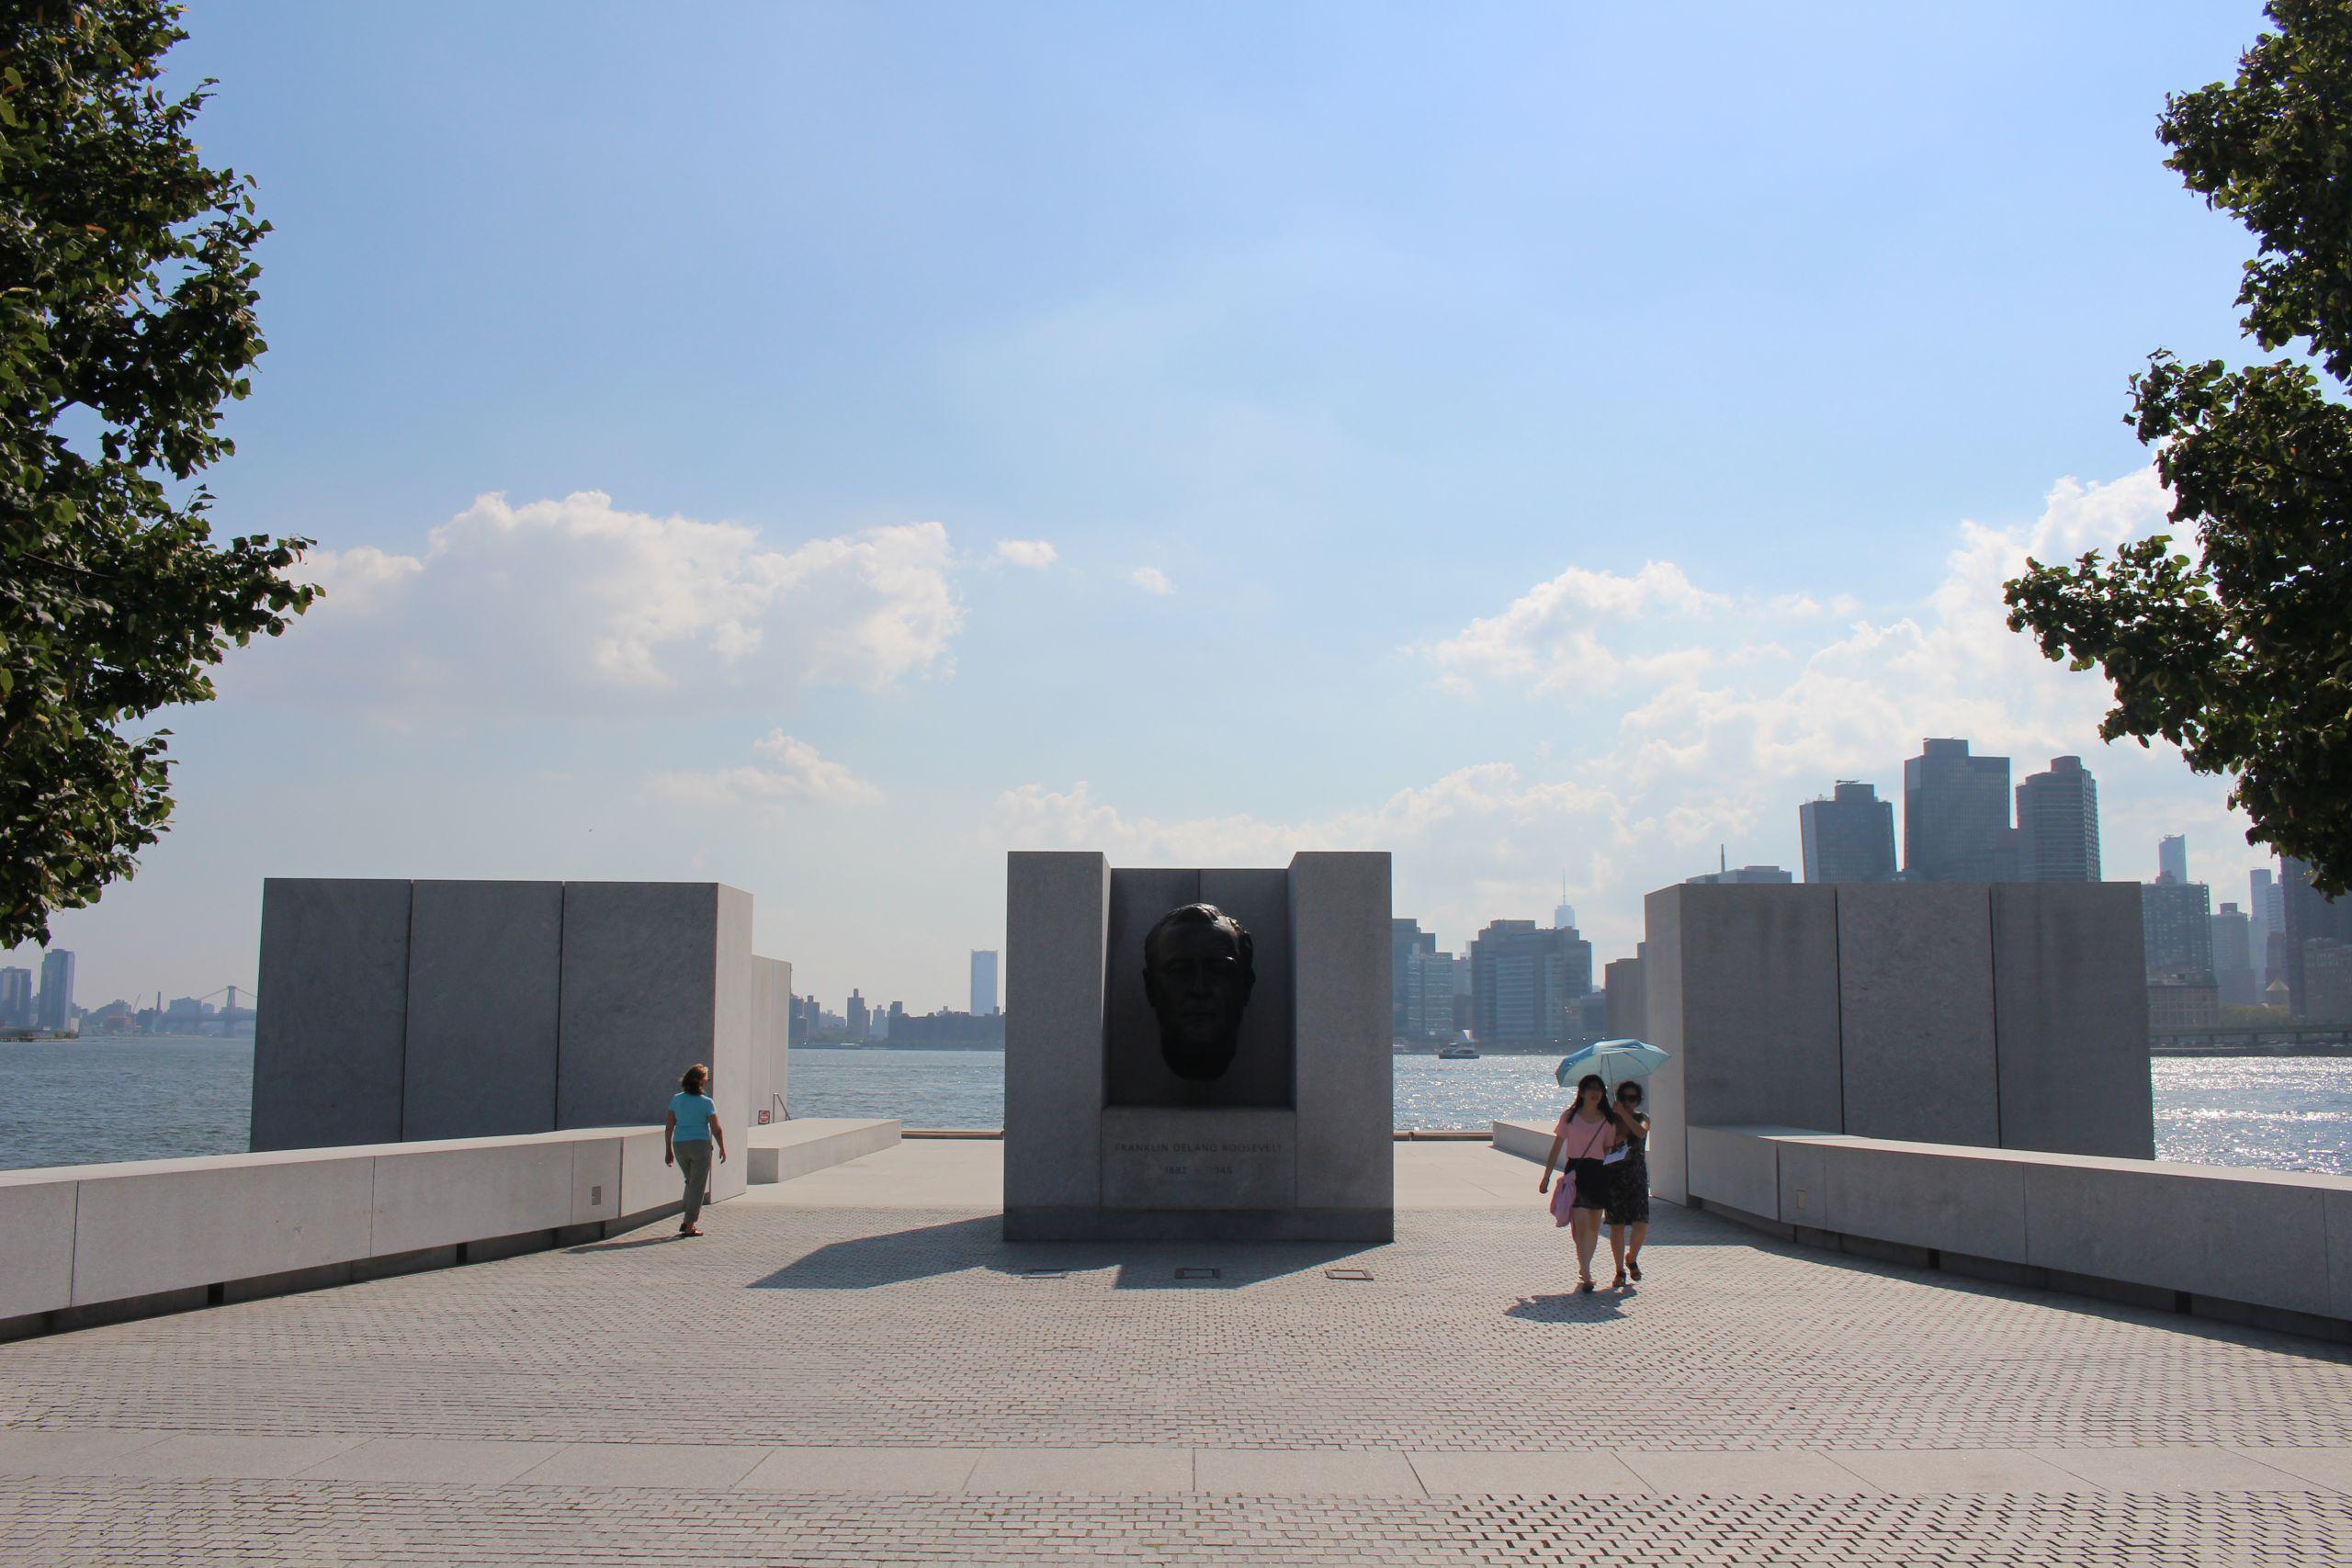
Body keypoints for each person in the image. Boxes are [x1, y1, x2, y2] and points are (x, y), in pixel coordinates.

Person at [1537, 1073, 1631, 1292]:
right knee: (1580, 1225)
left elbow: (1608, 1150)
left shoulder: (1607, 1120)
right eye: (1590, 1088)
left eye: (1598, 1089)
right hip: (1576, 1172)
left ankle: (1585, 1267)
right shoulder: (1570, 1116)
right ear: (1581, 1092)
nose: (1594, 1093)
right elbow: (1557, 1146)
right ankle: (1586, 1272)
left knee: (1593, 1225)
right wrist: (1547, 1175)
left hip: (1598, 1173)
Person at [663, 1063, 727, 1237]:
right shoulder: (706, 1103)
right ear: (700, 1081)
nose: (708, 1080)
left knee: (690, 1181)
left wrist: (668, 1149)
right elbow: (717, 1128)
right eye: (706, 1077)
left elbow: (669, 1127)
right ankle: (689, 1224)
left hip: (679, 1145)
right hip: (699, 1145)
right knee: (697, 1185)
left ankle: (687, 1212)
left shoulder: (676, 1099)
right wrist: (722, 1146)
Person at [1607, 1079, 1651, 1283]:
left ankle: (1631, 1258)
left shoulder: (1643, 1118)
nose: (1627, 1102)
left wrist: (1624, 1114)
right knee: (1617, 1225)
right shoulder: (1610, 1121)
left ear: (1638, 1100)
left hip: (1637, 1177)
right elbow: (1602, 1144)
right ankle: (1619, 1271)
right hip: (1614, 1177)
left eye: (1632, 1098)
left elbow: (1641, 1132)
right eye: (1623, 1098)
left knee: (1641, 1224)